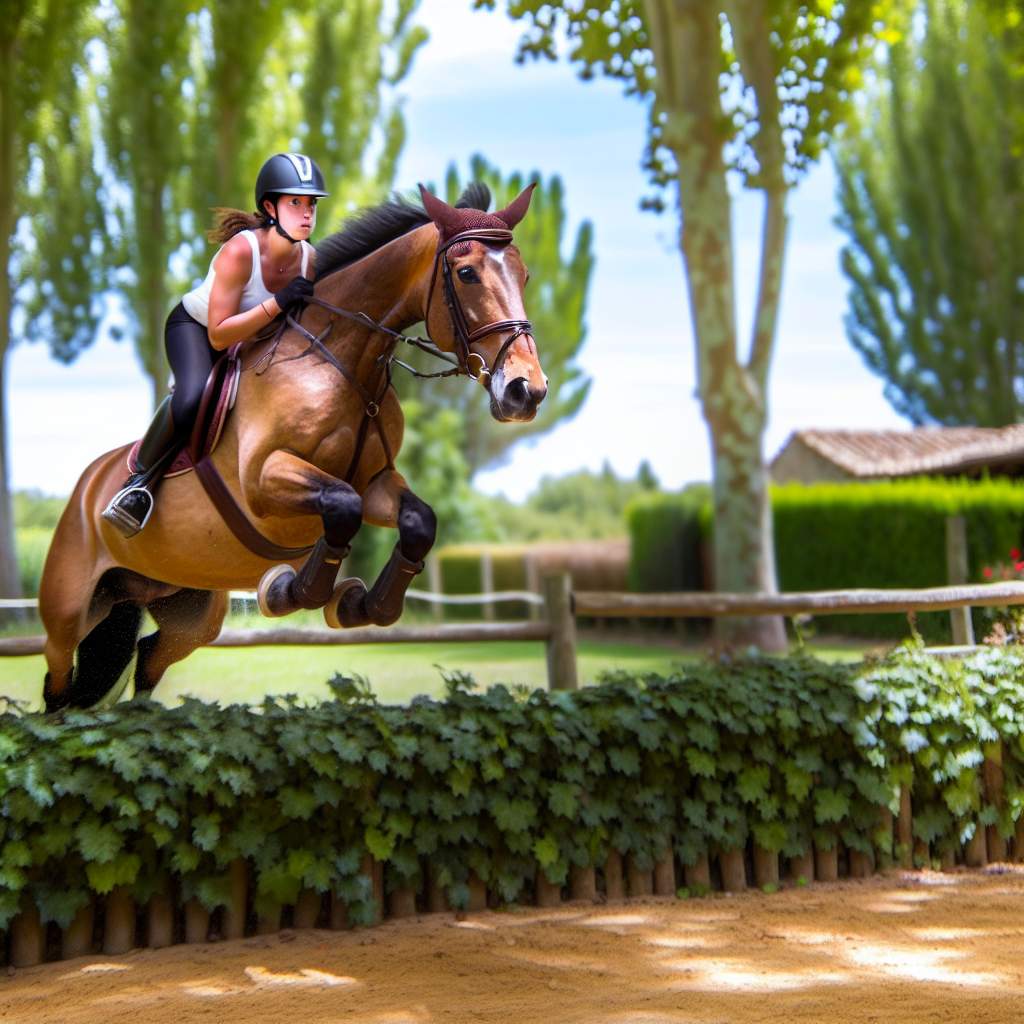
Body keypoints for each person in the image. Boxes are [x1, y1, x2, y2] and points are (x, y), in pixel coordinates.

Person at [102, 153, 327, 537]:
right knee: (192, 396)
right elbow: (219, 334)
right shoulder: (240, 252)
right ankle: (138, 482)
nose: (307, 213)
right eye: (295, 203)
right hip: (197, 329)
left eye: (311, 205)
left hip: (253, 342)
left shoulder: (310, 260)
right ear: (270, 207)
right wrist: (278, 302)